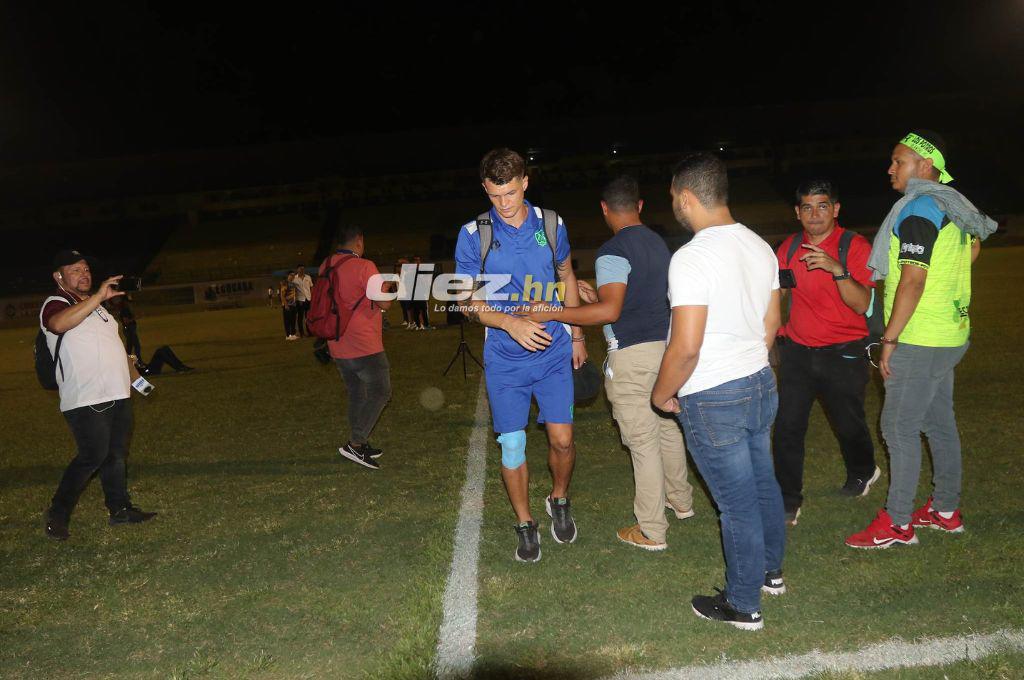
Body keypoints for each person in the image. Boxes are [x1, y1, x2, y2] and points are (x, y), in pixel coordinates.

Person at [651, 152, 784, 630]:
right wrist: (749, 362)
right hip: (759, 382)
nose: (674, 207)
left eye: (673, 199)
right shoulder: (759, 246)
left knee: (737, 503)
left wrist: (660, 394)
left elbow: (686, 347)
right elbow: (772, 323)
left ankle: (743, 603)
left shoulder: (691, 257)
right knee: (761, 481)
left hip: (714, 394)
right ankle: (771, 571)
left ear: (687, 197)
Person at [527, 175, 694, 551]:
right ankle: (681, 502)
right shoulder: (658, 243)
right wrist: (589, 296)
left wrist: (554, 312)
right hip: (666, 350)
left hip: (632, 356)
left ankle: (652, 529)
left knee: (642, 440)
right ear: (639, 206)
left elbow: (611, 309)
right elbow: (637, 295)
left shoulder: (612, 251)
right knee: (667, 428)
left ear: (604, 210)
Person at [846, 131, 992, 549]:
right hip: (950, 332)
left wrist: (889, 339)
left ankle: (897, 522)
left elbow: (911, 280)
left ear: (924, 167)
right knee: (938, 421)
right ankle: (945, 510)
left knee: (898, 427)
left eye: (898, 161)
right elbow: (974, 247)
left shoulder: (919, 210)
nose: (890, 168)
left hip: (920, 336)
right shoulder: (951, 203)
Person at [454, 147, 586, 563]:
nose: (504, 204)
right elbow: (466, 300)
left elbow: (566, 276)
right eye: (495, 195)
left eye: (510, 193)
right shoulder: (474, 234)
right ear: (485, 189)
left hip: (552, 352)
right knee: (512, 447)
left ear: (525, 182)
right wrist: (511, 323)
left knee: (562, 441)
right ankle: (526, 524)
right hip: (505, 361)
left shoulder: (551, 223)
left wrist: (578, 332)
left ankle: (559, 498)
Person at [772, 180, 879, 526]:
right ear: (797, 212)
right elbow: (779, 298)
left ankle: (863, 469)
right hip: (798, 353)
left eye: (822, 206)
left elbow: (862, 303)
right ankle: (788, 499)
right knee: (787, 427)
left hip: (844, 352)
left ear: (836, 209)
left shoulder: (854, 246)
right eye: (807, 207)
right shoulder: (788, 249)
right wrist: (772, 339)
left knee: (848, 424)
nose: (814, 214)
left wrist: (838, 270)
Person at [40, 250, 157, 541]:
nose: (84, 274)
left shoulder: (100, 309)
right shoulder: (56, 303)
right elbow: (57, 325)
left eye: (86, 268)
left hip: (118, 394)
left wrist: (139, 384)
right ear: (59, 276)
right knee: (92, 456)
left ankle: (120, 509)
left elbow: (116, 348)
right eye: (75, 269)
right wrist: (98, 297)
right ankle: (58, 514)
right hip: (86, 398)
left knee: (116, 455)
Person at [324, 225, 394, 470]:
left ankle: (359, 444)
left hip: (336, 342)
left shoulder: (327, 265)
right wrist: (388, 289)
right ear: (359, 242)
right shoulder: (365, 267)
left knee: (356, 392)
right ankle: (355, 443)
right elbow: (384, 304)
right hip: (363, 343)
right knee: (380, 391)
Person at [293, 265, 313, 337]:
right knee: (300, 317)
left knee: (308, 317)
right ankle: (302, 333)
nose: (301, 270)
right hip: (300, 300)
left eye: (303, 269)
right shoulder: (294, 278)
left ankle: (310, 332)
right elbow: (293, 290)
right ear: (297, 270)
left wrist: (311, 297)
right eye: (300, 269)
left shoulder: (308, 277)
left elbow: (311, 287)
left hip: (308, 299)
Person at [280, 273, 298, 340]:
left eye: (293, 275)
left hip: (293, 305)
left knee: (293, 320)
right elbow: (282, 296)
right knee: (287, 321)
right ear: (288, 276)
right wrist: (286, 305)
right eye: (291, 275)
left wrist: (295, 301)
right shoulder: (285, 284)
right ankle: (288, 335)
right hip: (287, 305)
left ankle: (293, 334)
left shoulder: (293, 284)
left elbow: (294, 294)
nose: (292, 276)